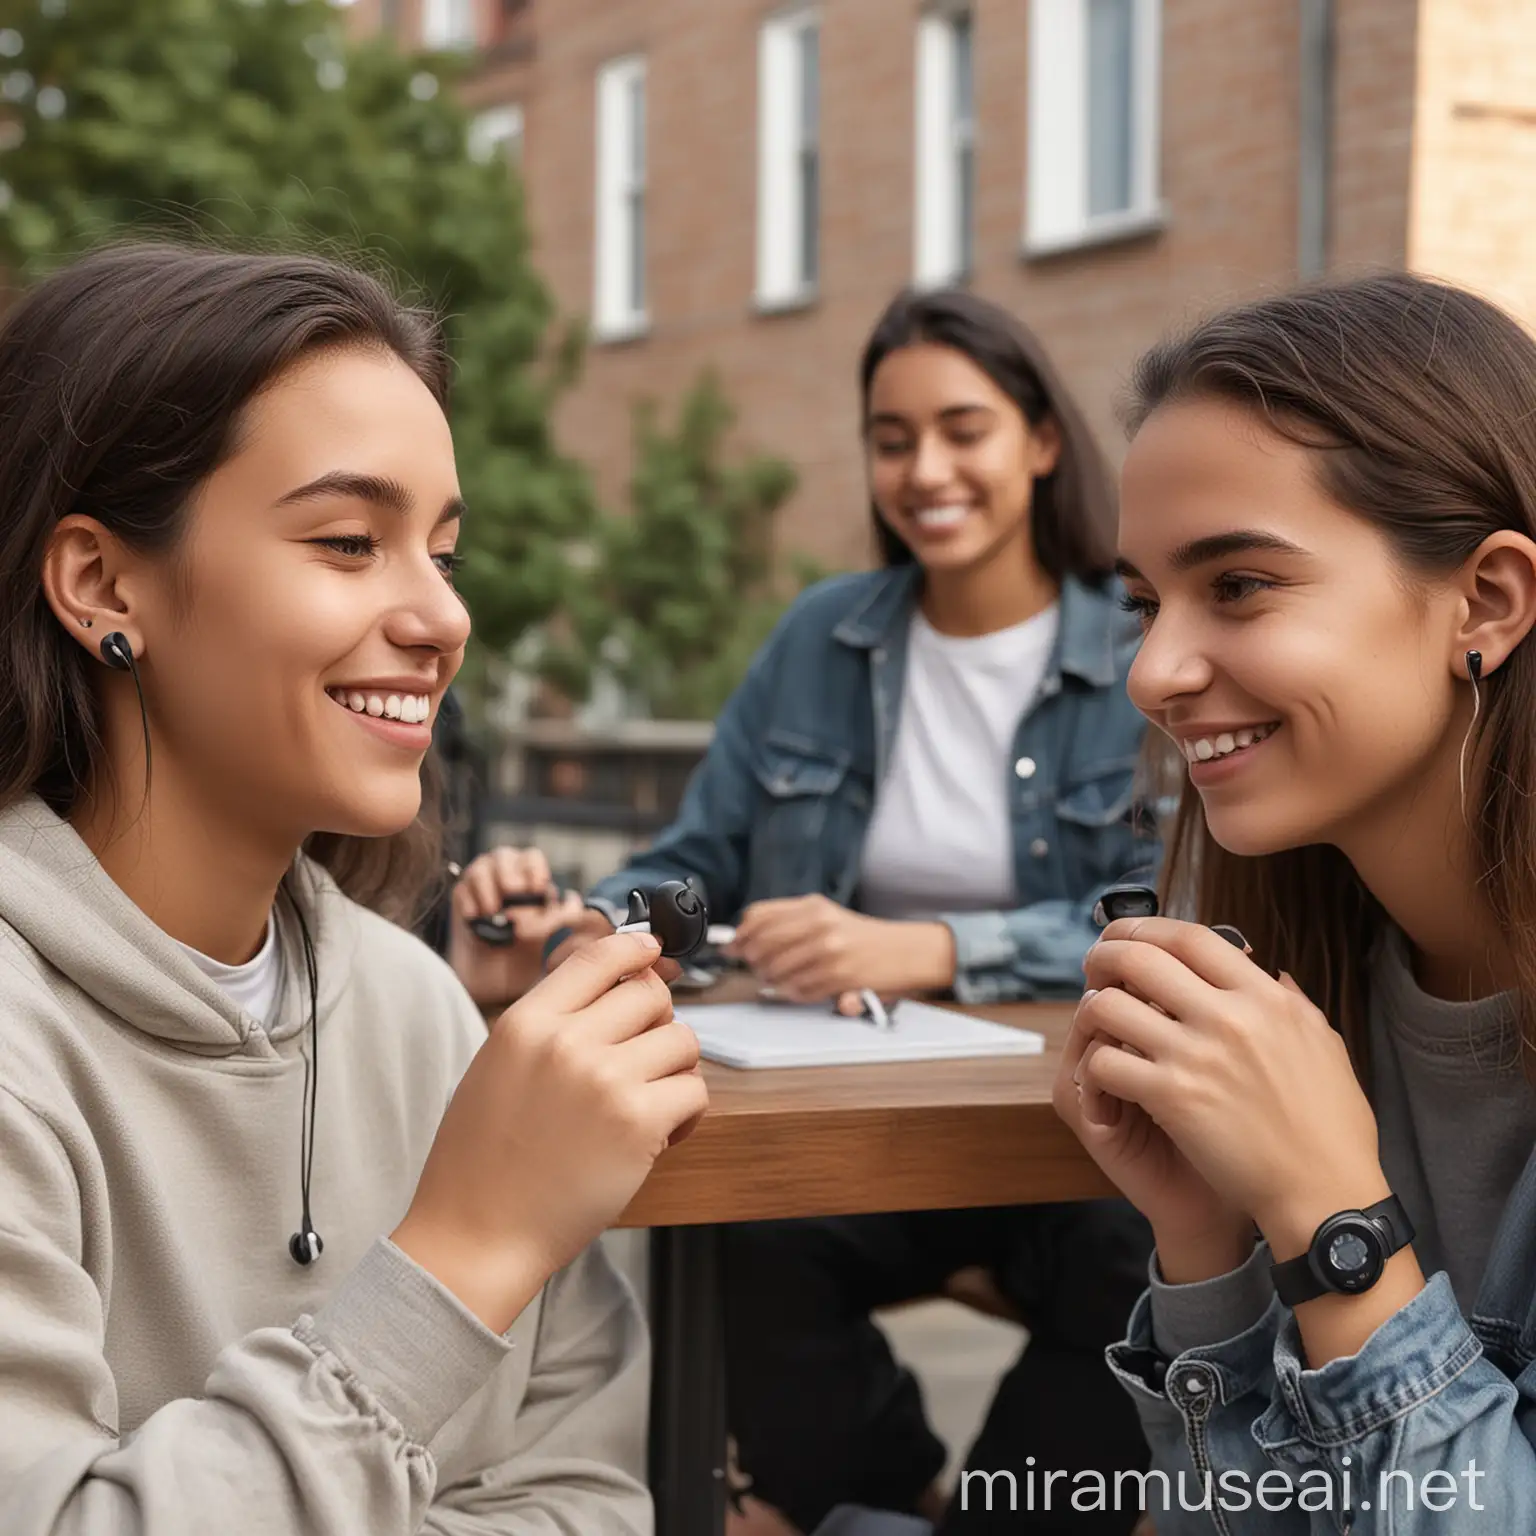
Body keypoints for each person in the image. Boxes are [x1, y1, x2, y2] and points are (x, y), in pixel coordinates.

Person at [0, 241, 707, 1533]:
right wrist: (463, 1253)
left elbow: (594, 1498)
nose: (442, 616)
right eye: (347, 541)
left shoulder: (417, 1005)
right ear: (104, 584)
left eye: (443, 550)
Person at [456, 287, 1158, 1533]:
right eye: (892, 439)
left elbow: (1180, 912)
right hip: (864, 1117)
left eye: (962, 430)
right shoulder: (818, 640)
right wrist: (595, 925)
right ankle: (886, 1500)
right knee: (735, 1235)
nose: (925, 470)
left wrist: (934, 946)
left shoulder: (1141, 649)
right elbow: (690, 862)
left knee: (1136, 1266)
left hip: (1070, 1126)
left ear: (1043, 440)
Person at [1055, 271, 1536, 1532]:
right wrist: (1207, 1247)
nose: (1154, 672)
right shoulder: (1311, 989)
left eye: (1243, 586)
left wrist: (1340, 1229)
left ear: (1484, 600)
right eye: (1147, 603)